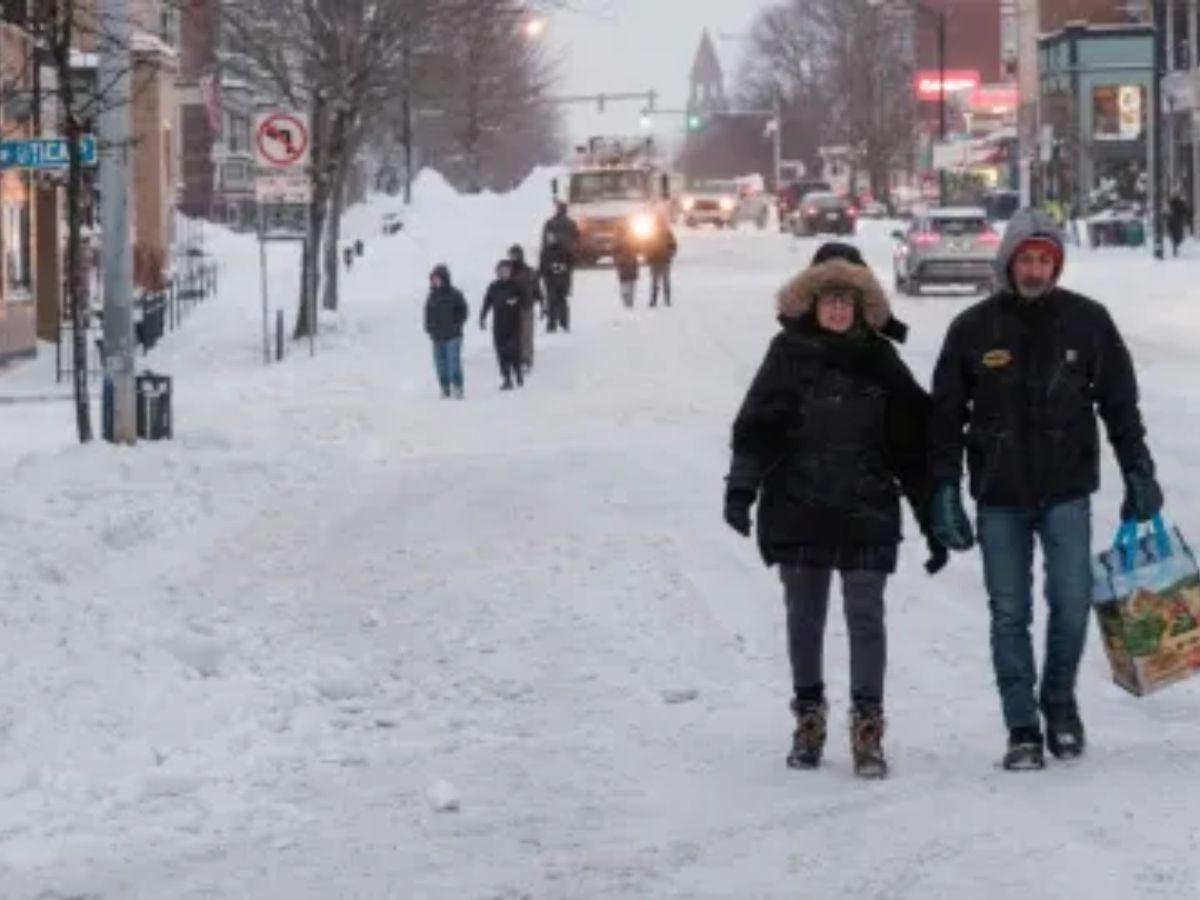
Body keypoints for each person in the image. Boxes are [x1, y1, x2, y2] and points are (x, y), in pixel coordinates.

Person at [929, 208, 1162, 771]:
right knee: (1009, 613)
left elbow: (1120, 405)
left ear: (1056, 264)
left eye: (1045, 260)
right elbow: (943, 418)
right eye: (1026, 259)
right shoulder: (972, 329)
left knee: (1072, 603)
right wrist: (943, 489)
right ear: (1008, 261)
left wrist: (1138, 470)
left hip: (1066, 491)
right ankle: (1021, 727)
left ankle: (1058, 701)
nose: (1035, 270)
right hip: (1000, 495)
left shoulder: (1087, 322)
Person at [724, 244, 945, 779]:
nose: (839, 311)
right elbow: (756, 427)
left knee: (866, 615)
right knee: (805, 616)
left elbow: (913, 447)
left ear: (862, 305)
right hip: (798, 504)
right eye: (830, 300)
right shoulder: (787, 354)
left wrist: (932, 518)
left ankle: (867, 728)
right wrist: (741, 490)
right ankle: (809, 720)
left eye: (848, 300)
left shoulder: (882, 361)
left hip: (867, 506)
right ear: (812, 302)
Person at [424, 265, 468, 399]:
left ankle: (458, 387)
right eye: (433, 279)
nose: (435, 282)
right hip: (437, 336)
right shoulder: (432, 296)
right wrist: (428, 326)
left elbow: (463, 311)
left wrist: (456, 323)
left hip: (453, 336)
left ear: (445, 279)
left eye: (438, 279)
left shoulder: (455, 294)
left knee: (453, 362)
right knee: (440, 364)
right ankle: (444, 387)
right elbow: (428, 313)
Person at [480, 260, 525, 390]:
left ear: (510, 272)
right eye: (501, 271)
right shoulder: (493, 286)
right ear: (497, 272)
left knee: (513, 351)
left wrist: (516, 301)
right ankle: (507, 379)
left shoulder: (516, 285)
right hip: (498, 325)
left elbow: (526, 301)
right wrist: (482, 318)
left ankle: (517, 372)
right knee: (501, 353)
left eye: (506, 271)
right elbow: (487, 303)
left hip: (514, 324)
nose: (504, 273)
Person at [507, 244, 543, 374]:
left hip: (526, 307)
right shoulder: (507, 271)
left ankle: (526, 360)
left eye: (515, 255)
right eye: (511, 255)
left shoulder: (529, 272)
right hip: (510, 309)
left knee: (526, 335)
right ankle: (514, 359)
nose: (512, 258)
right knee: (512, 335)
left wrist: (542, 304)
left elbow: (537, 289)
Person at [539, 231, 574, 333]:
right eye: (548, 238)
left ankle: (564, 323)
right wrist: (541, 273)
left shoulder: (563, 250)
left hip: (562, 280)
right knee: (551, 302)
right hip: (549, 281)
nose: (550, 239)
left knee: (562, 301)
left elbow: (570, 263)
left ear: (556, 238)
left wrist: (560, 268)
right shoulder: (545, 251)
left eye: (551, 237)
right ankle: (551, 325)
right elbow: (542, 265)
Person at [645, 214, 677, 308]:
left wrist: (648, 256)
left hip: (656, 260)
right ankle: (666, 300)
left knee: (655, 282)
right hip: (663, 260)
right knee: (665, 281)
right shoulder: (667, 232)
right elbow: (673, 245)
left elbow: (646, 246)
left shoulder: (652, 232)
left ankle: (654, 300)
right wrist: (670, 255)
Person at [613, 223, 640, 309]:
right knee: (631, 282)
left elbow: (614, 253)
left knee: (624, 282)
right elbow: (638, 249)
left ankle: (626, 298)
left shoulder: (617, 241)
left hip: (623, 265)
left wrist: (617, 260)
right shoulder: (632, 239)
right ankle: (629, 300)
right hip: (631, 263)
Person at [1167, 192, 1191, 257]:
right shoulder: (1181, 203)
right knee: (1179, 235)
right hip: (1178, 221)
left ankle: (1175, 245)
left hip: (1172, 221)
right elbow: (1186, 211)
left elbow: (1167, 212)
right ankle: (1176, 244)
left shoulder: (1170, 203)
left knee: (1173, 235)